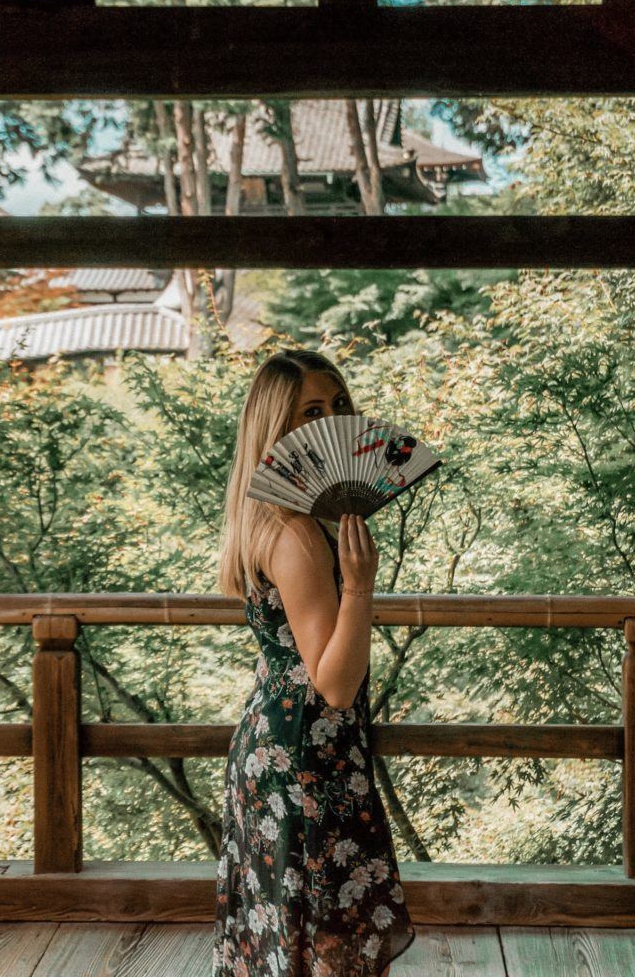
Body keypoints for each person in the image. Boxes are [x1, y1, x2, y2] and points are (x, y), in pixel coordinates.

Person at [212, 348, 417, 976]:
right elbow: (332, 684)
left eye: (339, 404)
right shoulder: (296, 534)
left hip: (279, 747)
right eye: (312, 410)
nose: (334, 419)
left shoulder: (268, 519)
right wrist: (359, 583)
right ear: (279, 428)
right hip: (306, 757)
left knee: (291, 939)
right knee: (326, 943)